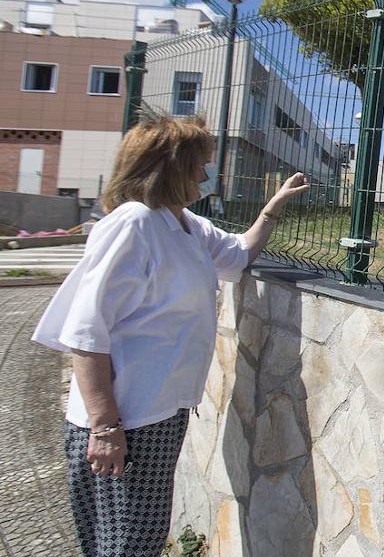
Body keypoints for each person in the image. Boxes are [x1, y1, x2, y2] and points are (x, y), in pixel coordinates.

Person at [31, 114, 309, 557]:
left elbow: (236, 256)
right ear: (171, 166)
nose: (207, 173)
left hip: (161, 412)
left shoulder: (186, 225)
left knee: (139, 538)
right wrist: (104, 427)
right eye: (200, 163)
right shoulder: (134, 224)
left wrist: (273, 206)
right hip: (126, 419)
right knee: (125, 543)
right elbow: (86, 331)